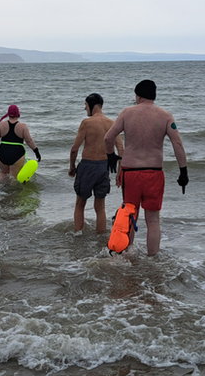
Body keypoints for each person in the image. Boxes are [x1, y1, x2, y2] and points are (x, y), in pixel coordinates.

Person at [104, 80, 188, 256]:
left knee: (130, 216)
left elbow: (108, 138)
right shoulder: (166, 116)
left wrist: (111, 156)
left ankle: (127, 254)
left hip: (131, 173)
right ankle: (153, 260)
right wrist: (183, 171)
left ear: (138, 96)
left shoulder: (127, 113)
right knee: (153, 221)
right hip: (154, 173)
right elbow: (178, 144)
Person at [69, 93, 123, 233]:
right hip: (104, 167)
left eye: (86, 105)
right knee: (100, 207)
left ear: (92, 106)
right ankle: (100, 239)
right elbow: (121, 149)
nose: (84, 108)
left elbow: (74, 149)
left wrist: (72, 167)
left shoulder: (86, 123)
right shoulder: (111, 123)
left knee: (80, 204)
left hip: (88, 166)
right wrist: (119, 172)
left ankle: (78, 236)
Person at [0, 104, 40, 181]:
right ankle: (12, 193)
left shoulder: (2, 125)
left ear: (8, 114)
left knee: (3, 172)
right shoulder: (22, 126)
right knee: (14, 176)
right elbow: (29, 141)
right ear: (18, 113)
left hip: (2, 153)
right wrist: (36, 151)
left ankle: (0, 191)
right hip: (16, 154)